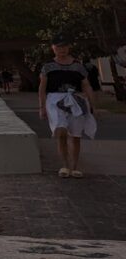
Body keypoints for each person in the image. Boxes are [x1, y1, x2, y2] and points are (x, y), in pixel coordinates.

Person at [40, 38, 97, 178]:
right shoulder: (48, 66)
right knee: (61, 131)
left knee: (76, 134)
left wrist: (93, 105)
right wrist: (41, 107)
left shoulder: (77, 66)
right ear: (53, 48)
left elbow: (86, 85)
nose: (62, 50)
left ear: (69, 47)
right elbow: (42, 87)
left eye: (64, 47)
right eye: (58, 47)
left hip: (75, 99)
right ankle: (65, 165)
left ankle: (74, 167)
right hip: (55, 100)